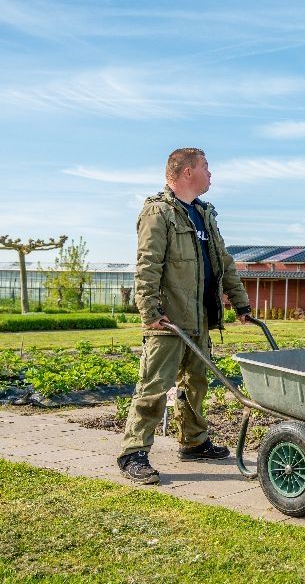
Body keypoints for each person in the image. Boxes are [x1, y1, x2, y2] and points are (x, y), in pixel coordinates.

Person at [117, 148, 251, 484]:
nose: (211, 173)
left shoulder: (204, 214)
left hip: (199, 318)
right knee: (154, 385)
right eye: (206, 167)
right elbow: (147, 265)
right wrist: (149, 312)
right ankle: (133, 452)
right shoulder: (158, 212)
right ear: (187, 171)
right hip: (168, 319)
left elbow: (224, 263)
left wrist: (241, 304)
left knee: (196, 384)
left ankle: (193, 442)